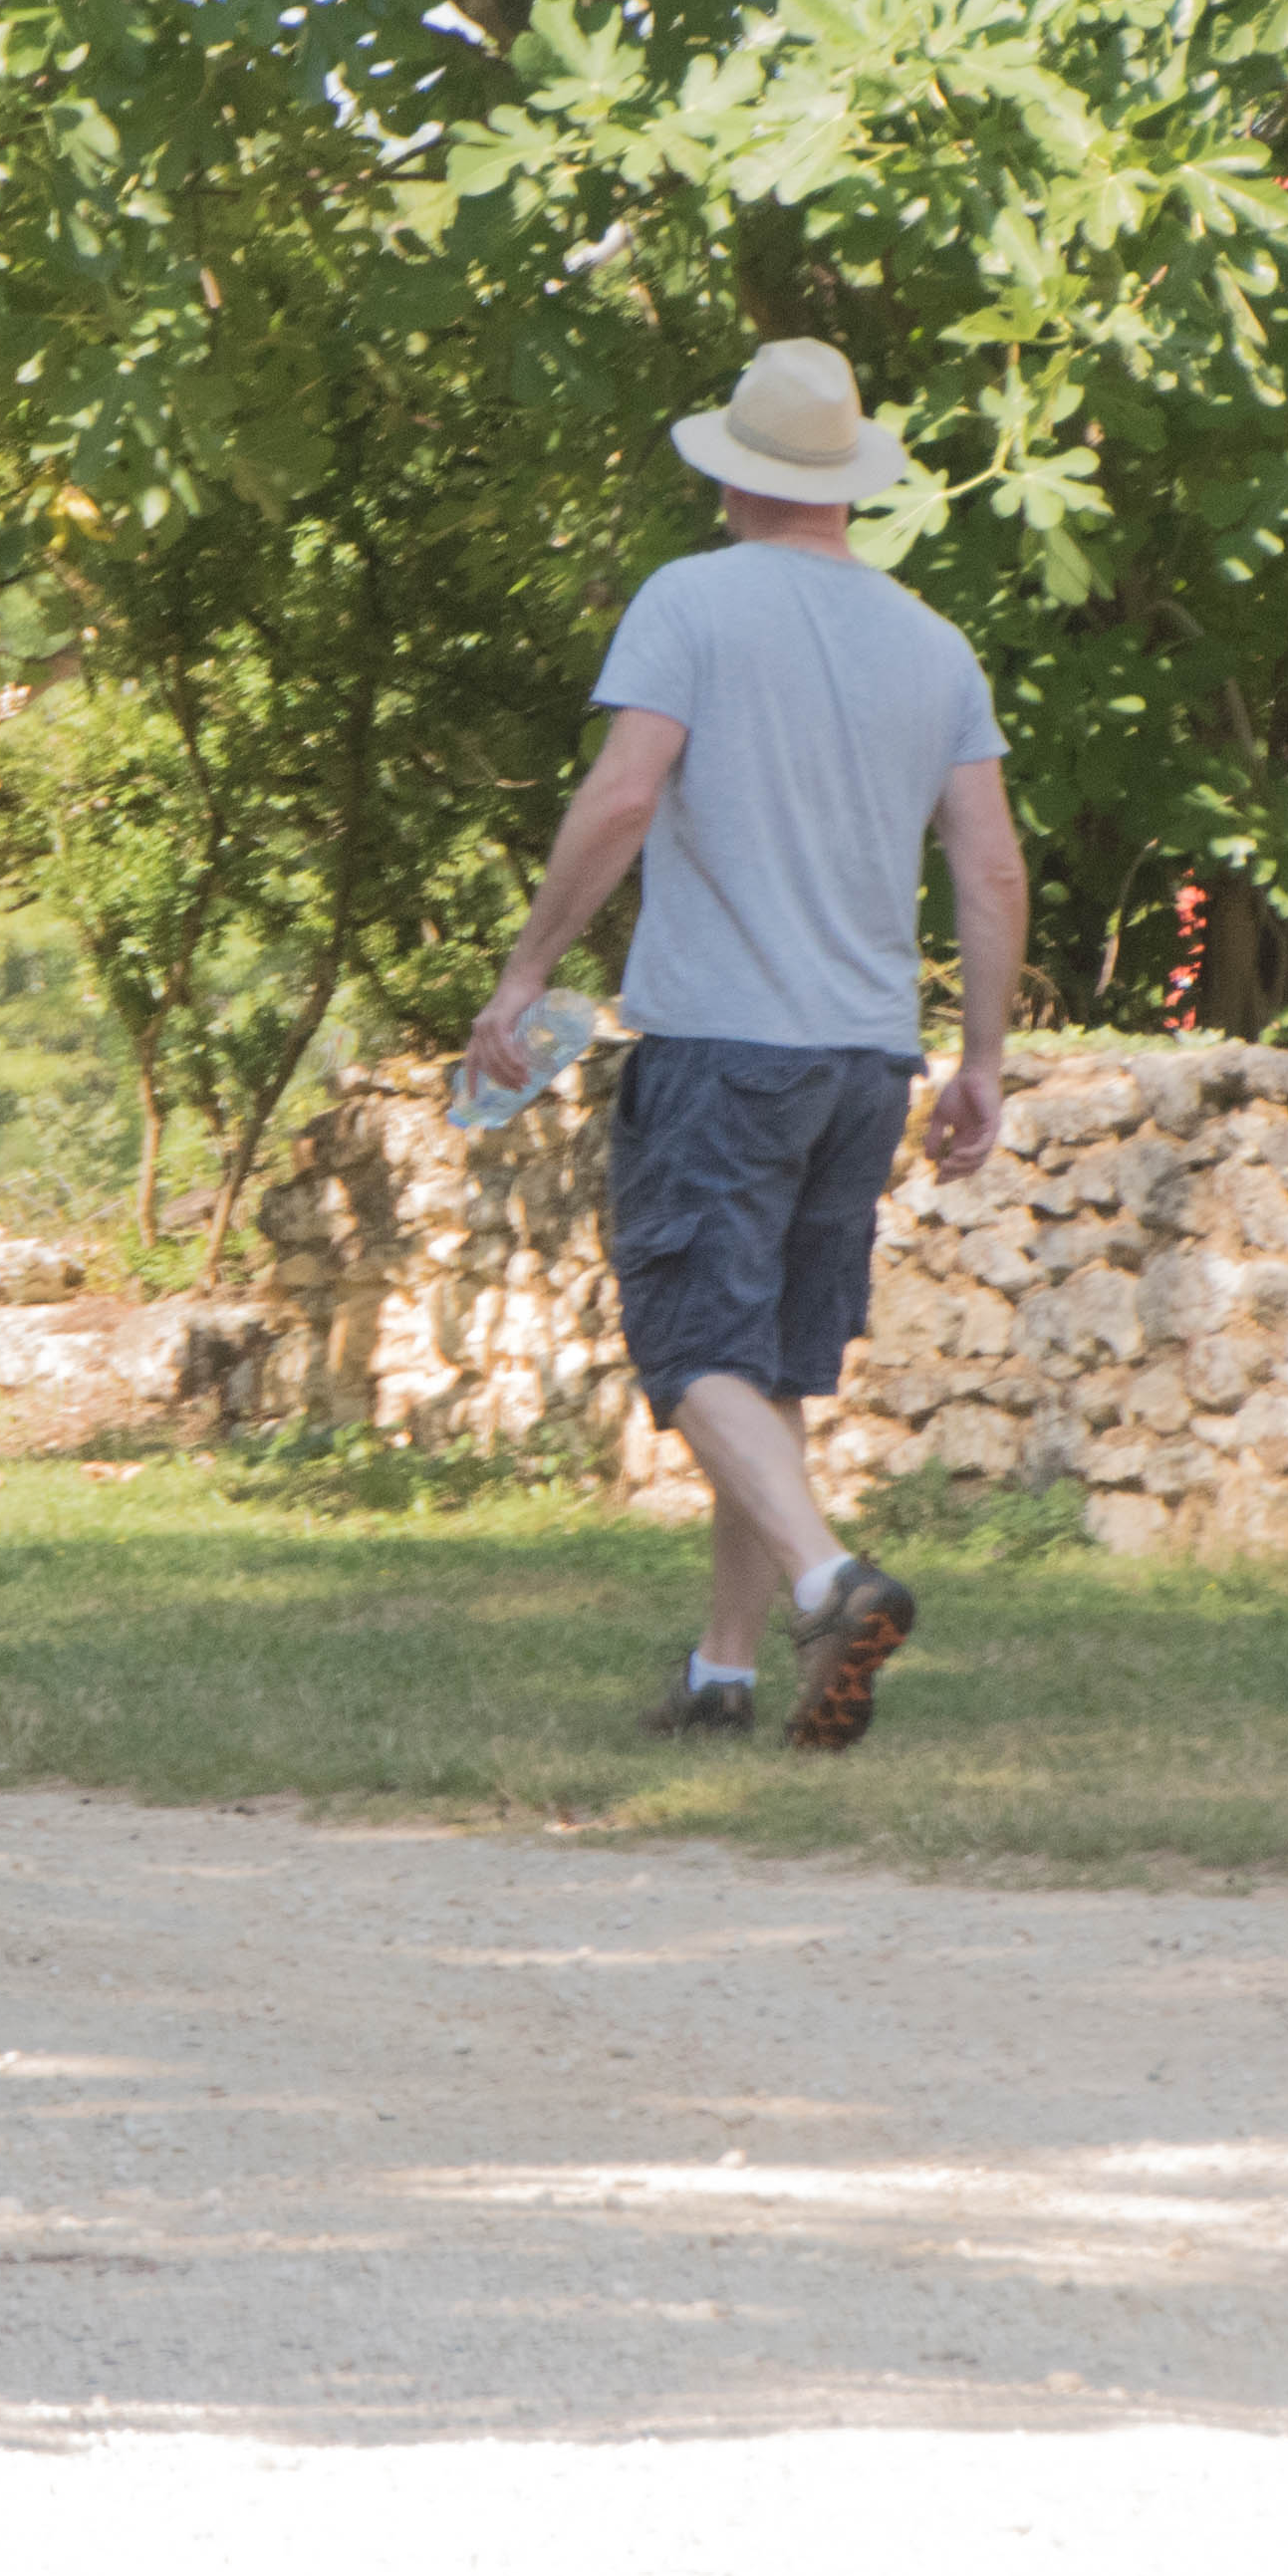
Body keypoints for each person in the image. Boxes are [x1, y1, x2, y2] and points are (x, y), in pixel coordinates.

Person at [471, 339, 1019, 1753]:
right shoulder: (932, 641)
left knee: (689, 1343)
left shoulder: (690, 602)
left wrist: (528, 973)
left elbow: (623, 797)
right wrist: (983, 1062)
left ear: (729, 474)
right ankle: (722, 1676)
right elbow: (993, 866)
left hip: (723, 1045)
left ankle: (833, 1582)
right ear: (846, 482)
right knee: (766, 1367)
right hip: (864, 1062)